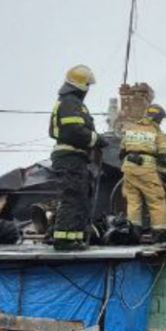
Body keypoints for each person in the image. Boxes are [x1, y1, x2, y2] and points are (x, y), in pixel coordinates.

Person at [49, 64, 99, 251]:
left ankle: (74, 238)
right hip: (69, 157)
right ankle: (64, 240)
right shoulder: (70, 103)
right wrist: (96, 139)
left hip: (75, 158)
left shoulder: (71, 103)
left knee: (80, 198)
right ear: (82, 85)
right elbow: (74, 131)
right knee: (72, 197)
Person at [120, 102, 166, 241]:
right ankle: (159, 233)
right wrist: (165, 173)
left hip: (128, 168)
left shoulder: (131, 128)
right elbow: (162, 156)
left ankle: (133, 233)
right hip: (146, 169)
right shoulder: (156, 131)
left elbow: (121, 152)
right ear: (156, 118)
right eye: (160, 119)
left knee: (133, 201)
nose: (160, 122)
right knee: (157, 199)